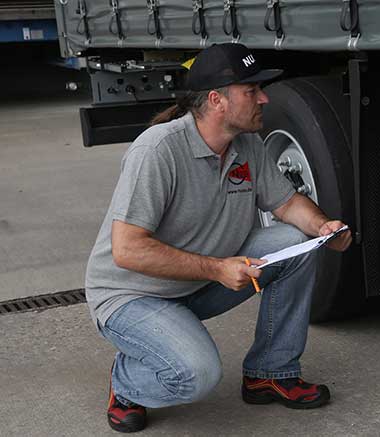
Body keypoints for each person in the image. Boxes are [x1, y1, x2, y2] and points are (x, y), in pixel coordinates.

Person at [84, 43, 351, 433]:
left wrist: (324, 227)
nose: (264, 98)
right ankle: (127, 382)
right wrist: (216, 268)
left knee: (295, 241)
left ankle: (270, 371)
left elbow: (288, 203)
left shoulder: (247, 146)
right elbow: (127, 249)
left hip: (198, 281)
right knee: (198, 374)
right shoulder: (158, 151)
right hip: (133, 296)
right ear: (217, 101)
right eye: (251, 90)